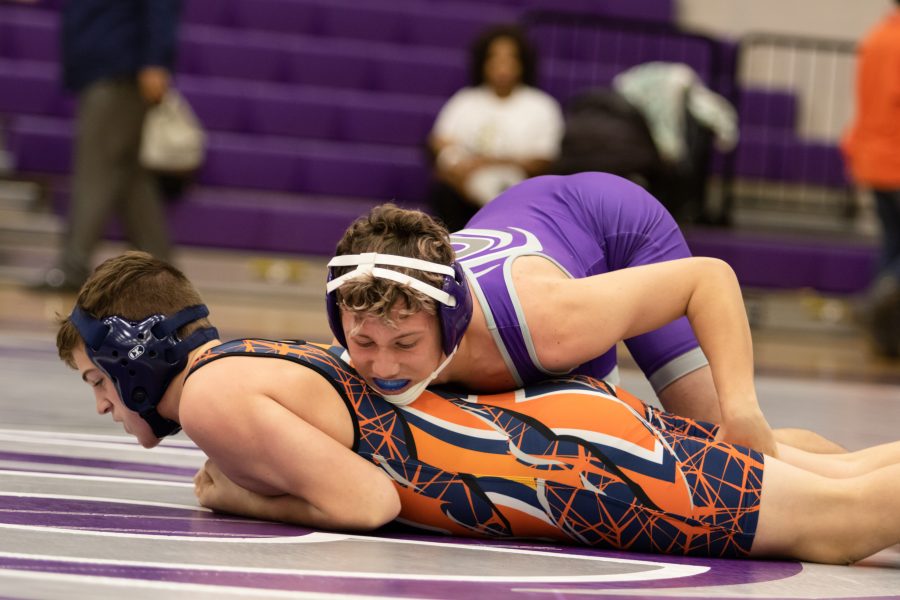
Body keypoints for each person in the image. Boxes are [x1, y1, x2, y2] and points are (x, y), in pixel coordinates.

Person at [58, 251, 900, 564]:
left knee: (844, 521)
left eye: (98, 380)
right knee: (841, 472)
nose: (102, 404)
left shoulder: (212, 396)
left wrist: (234, 493)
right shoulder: (246, 360)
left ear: (137, 358)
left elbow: (367, 501)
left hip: (579, 470)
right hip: (558, 432)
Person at [327, 172, 843, 455]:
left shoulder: (549, 325)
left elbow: (709, 279)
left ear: (451, 323)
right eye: (365, 344)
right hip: (526, 221)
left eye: (406, 345)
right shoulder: (371, 324)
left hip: (614, 229)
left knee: (718, 442)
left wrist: (742, 406)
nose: (384, 369)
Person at [33, 0, 182, 292]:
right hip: (103, 66)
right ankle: (162, 270)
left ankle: (73, 266)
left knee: (96, 170)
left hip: (120, 69)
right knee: (128, 175)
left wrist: (155, 60)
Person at [427, 24, 564, 232]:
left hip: (518, 195)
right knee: (443, 191)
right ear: (483, 62)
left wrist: (485, 163)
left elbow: (543, 161)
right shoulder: (465, 101)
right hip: (464, 195)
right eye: (494, 58)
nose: (502, 66)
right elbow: (440, 142)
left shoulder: (542, 106)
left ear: (522, 63)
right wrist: (459, 175)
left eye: (510, 59)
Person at [841, 0, 900, 358]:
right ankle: (875, 307)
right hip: (895, 157)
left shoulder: (877, 35)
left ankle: (885, 330)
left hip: (872, 156)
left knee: (892, 244)